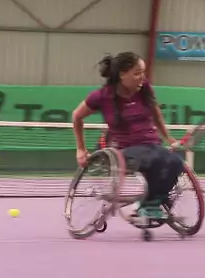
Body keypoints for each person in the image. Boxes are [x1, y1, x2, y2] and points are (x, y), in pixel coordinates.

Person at [72, 51, 184, 219]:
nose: (142, 77)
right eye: (137, 73)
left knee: (176, 162)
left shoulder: (144, 88)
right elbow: (77, 116)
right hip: (124, 150)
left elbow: (155, 112)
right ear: (122, 74)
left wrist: (169, 138)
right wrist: (80, 149)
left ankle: (153, 202)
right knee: (153, 160)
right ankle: (150, 203)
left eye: (143, 73)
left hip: (152, 144)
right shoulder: (102, 96)